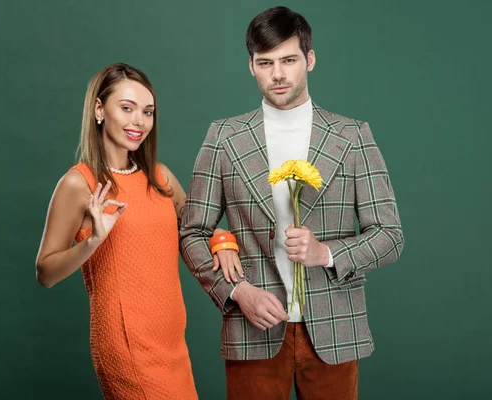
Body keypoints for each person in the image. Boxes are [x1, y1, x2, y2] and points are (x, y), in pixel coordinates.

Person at [179, 7, 404, 400]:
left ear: (310, 59)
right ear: (251, 66)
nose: (278, 74)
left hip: (335, 329)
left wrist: (326, 253)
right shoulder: (224, 137)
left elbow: (390, 234)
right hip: (252, 328)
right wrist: (237, 293)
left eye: (289, 60)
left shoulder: (352, 137)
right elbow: (191, 231)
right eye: (265, 63)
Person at [35, 63, 237, 399]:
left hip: (171, 342)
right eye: (126, 108)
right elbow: (45, 272)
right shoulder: (78, 183)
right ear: (99, 110)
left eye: (147, 112)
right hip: (127, 345)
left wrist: (223, 241)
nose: (138, 121)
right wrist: (94, 241)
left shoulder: (160, 177)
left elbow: (197, 228)